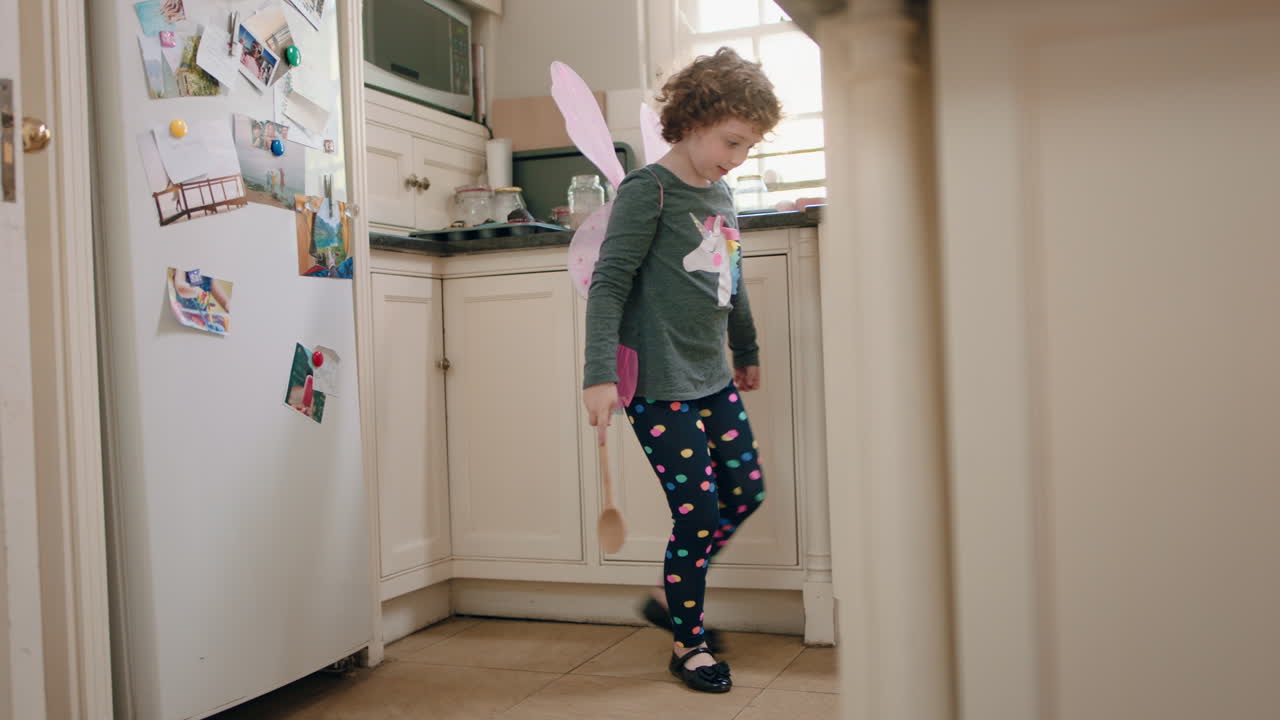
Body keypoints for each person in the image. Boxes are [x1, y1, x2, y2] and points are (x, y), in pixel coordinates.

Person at [581, 47, 781, 694]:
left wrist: (744, 350)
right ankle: (686, 642)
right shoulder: (649, 191)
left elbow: (731, 278)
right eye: (732, 140)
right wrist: (598, 373)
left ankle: (675, 594)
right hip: (658, 385)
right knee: (697, 513)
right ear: (694, 119)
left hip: (712, 377)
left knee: (744, 492)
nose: (738, 157)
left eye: (748, 146)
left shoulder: (721, 191)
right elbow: (609, 284)